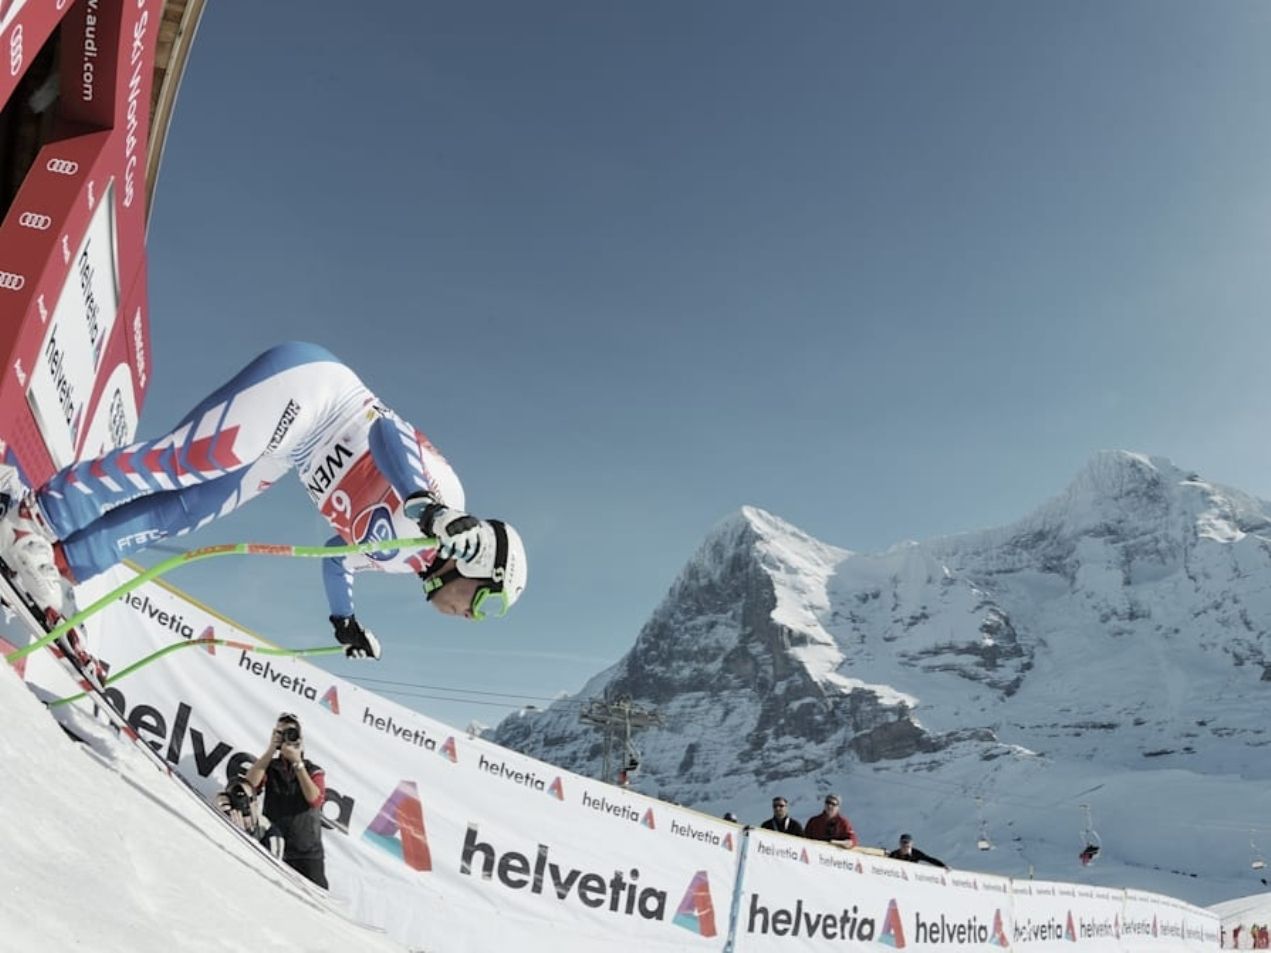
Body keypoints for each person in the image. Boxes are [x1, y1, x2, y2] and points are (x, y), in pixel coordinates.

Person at [0, 342, 527, 658]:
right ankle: (33, 520)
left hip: (289, 451)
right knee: (182, 460)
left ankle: (64, 566)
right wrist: (427, 503)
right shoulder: (446, 499)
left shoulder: (408, 560)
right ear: (478, 560)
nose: (471, 616)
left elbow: (337, 555)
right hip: (315, 395)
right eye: (486, 603)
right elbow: (386, 431)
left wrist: (343, 621)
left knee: (186, 512)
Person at [245, 712, 327, 887]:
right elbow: (249, 785)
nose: (287, 737)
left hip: (307, 855)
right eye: (282, 733)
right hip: (274, 846)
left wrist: (297, 762)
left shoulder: (313, 770)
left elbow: (315, 799)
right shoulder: (270, 766)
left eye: (291, 732)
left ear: (300, 738)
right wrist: (270, 750)